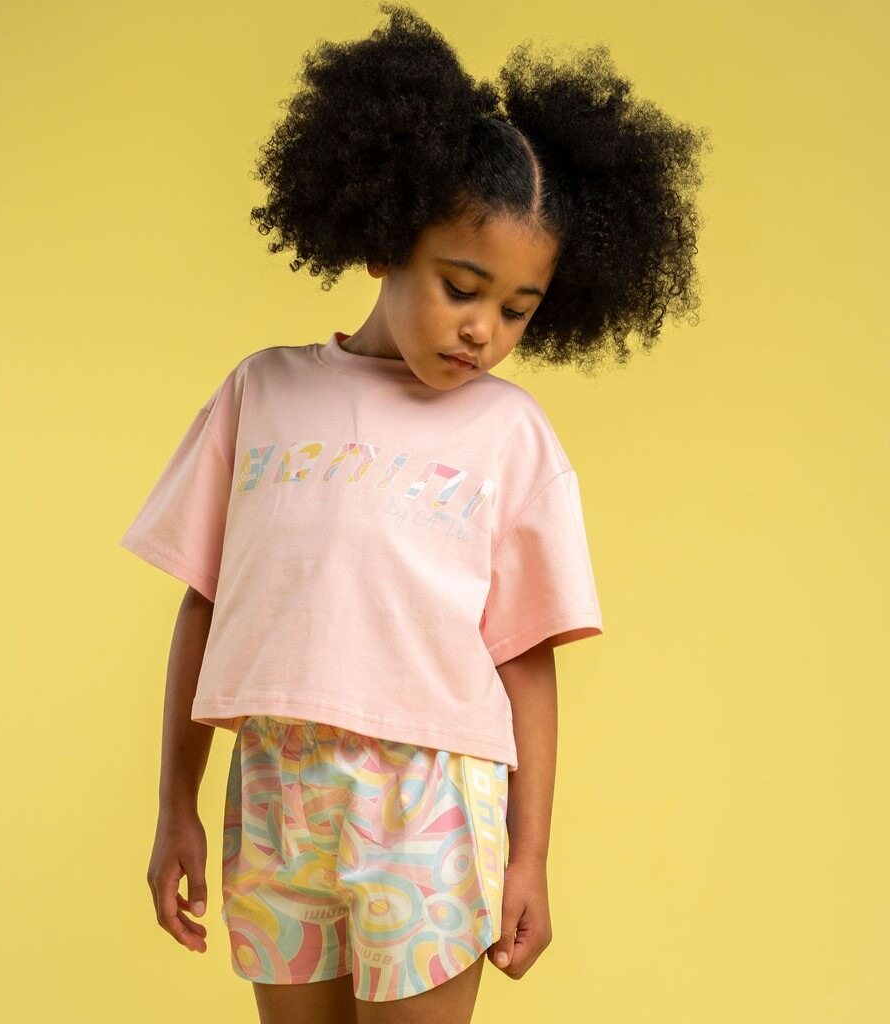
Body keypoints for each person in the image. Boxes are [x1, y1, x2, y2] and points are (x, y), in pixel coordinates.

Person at [119, 5, 708, 1022]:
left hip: (429, 803)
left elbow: (525, 657)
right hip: (276, 790)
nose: (484, 329)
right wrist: (177, 805)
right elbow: (203, 606)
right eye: (461, 286)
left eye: (516, 309)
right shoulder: (262, 393)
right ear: (386, 241)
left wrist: (530, 857)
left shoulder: (510, 435)